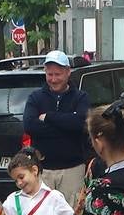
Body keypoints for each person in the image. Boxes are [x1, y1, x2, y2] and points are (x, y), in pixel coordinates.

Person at [22, 51, 91, 205]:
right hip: (42, 170)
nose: (53, 79)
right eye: (49, 74)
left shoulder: (81, 97)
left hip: (72, 169)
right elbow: (30, 125)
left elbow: (81, 124)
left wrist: (48, 117)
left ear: (68, 72)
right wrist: (66, 126)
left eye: (58, 74)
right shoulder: (35, 97)